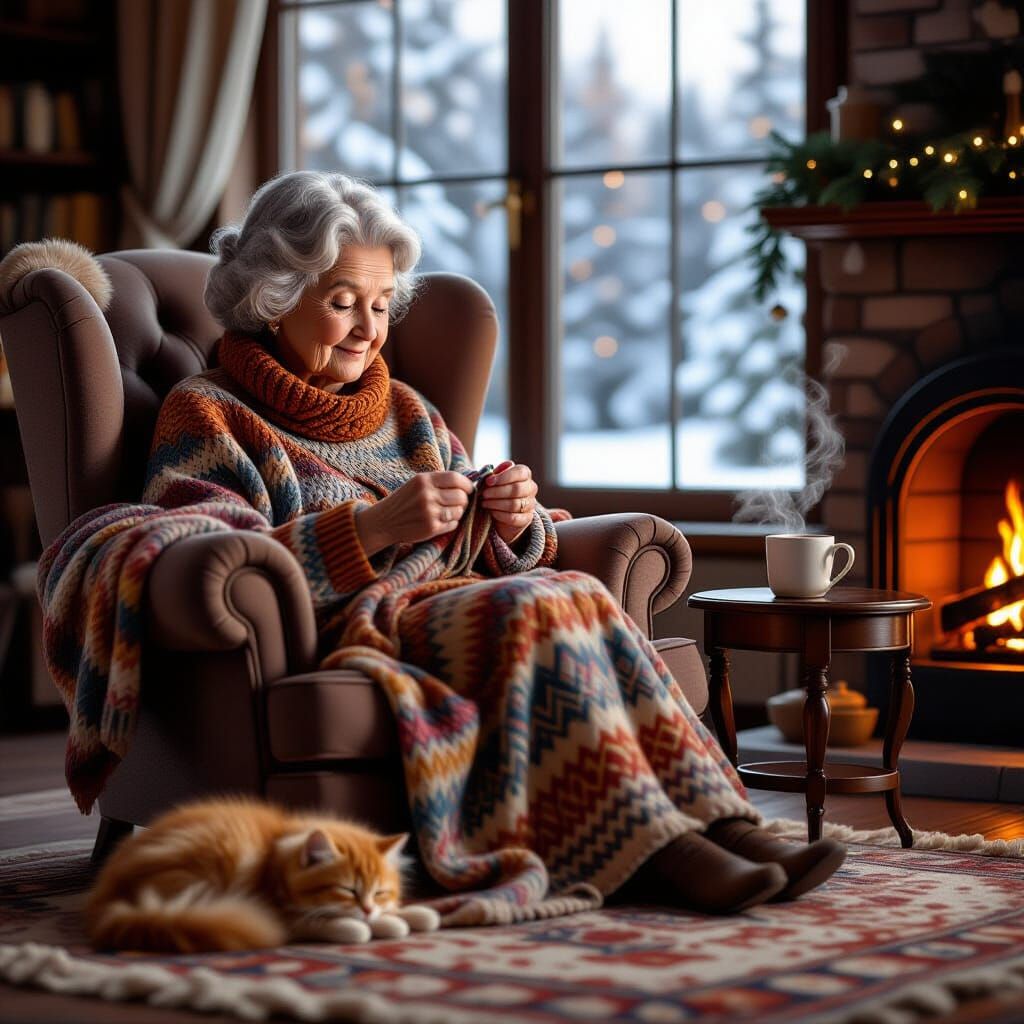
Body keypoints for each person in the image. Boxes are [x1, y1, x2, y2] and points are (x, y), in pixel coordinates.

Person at [137, 170, 845, 921]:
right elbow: (203, 554)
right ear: (273, 299)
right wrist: (373, 530)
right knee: (536, 603)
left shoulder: (407, 410)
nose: (367, 327)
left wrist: (513, 522)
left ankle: (724, 824)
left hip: (463, 605)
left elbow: (509, 547)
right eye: (342, 302)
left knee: (570, 590)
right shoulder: (208, 412)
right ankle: (665, 853)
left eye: (380, 305)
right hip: (358, 628)